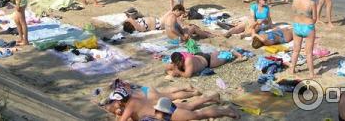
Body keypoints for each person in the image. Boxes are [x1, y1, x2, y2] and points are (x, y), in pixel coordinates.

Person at [101, 84, 238, 121]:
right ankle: (210, 98)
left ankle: (226, 111)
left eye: (115, 102)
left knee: (197, 114)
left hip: (166, 114)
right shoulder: (135, 97)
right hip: (163, 106)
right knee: (190, 107)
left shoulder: (129, 106)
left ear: (119, 101)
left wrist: (118, 114)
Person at [289, 0, 318, 78]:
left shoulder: (295, 0)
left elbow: (293, 12)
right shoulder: (312, 3)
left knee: (296, 50)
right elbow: (314, 19)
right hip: (308, 27)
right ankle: (311, 74)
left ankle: (292, 69)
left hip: (297, 26)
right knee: (308, 53)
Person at [166, 49, 243, 77]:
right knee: (215, 54)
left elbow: (187, 75)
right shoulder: (175, 62)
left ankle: (233, 52)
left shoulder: (187, 60)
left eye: (179, 63)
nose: (178, 65)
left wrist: (178, 72)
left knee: (225, 57)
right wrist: (170, 73)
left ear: (182, 59)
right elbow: (166, 68)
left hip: (207, 61)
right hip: (199, 56)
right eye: (176, 64)